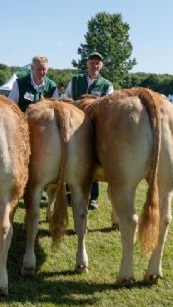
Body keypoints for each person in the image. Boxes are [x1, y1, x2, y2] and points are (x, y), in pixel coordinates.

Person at [64, 51, 114, 210]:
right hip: (75, 127)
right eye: (92, 62)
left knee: (93, 158)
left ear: (101, 66)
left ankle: (93, 197)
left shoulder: (107, 85)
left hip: (95, 127)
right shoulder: (75, 80)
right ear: (87, 64)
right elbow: (66, 99)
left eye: (97, 63)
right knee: (71, 156)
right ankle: (69, 191)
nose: (95, 65)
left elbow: (110, 108)